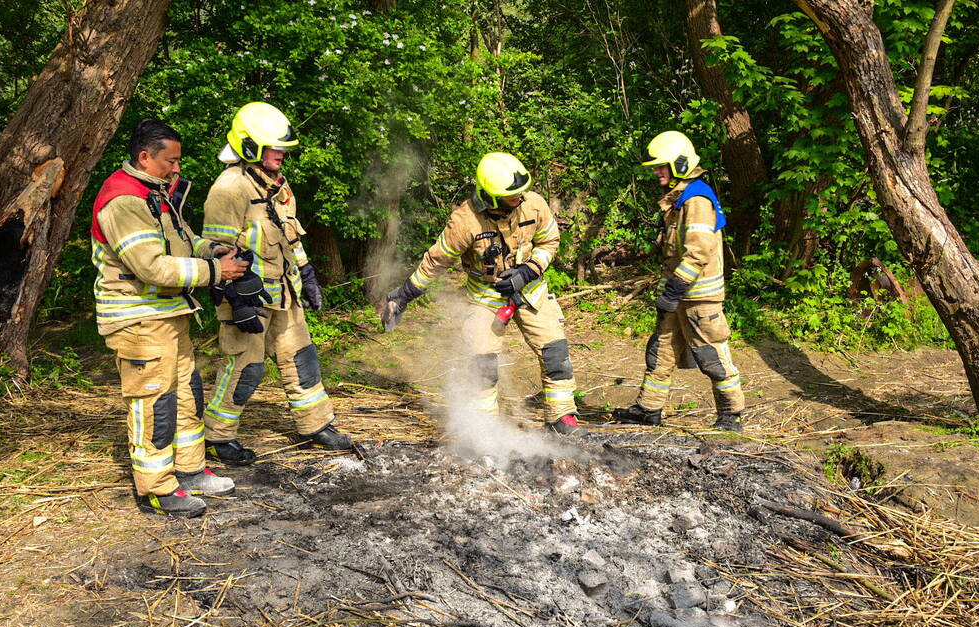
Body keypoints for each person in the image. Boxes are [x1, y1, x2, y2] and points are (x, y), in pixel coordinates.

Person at [91, 119, 244, 517]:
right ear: (145, 157)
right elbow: (151, 268)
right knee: (154, 404)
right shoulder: (123, 201)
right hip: (139, 321)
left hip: (169, 315)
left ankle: (189, 470)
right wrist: (215, 273)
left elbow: (187, 241)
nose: (177, 169)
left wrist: (219, 251)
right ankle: (157, 488)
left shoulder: (154, 194)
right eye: (170, 161)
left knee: (187, 395)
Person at [382, 152, 587, 436]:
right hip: (485, 299)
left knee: (555, 353)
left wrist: (528, 271)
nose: (520, 199)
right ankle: (485, 429)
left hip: (530, 292)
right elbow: (436, 261)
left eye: (521, 193)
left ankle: (561, 417)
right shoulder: (465, 221)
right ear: (490, 197)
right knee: (482, 362)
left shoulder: (534, 204)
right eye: (512, 196)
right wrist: (403, 295)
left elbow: (549, 241)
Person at [201, 102, 352, 465]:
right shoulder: (229, 188)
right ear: (249, 145)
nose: (281, 154)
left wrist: (309, 272)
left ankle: (315, 427)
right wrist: (235, 300)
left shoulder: (278, 187)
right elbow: (212, 249)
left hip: (284, 294)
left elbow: (290, 236)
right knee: (245, 368)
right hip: (247, 299)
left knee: (302, 359)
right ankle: (216, 437)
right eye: (274, 147)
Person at [613, 131, 746, 432]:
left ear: (680, 165)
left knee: (711, 355)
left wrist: (673, 290)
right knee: (661, 351)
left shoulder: (696, 199)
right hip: (678, 296)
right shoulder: (679, 199)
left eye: (662, 166)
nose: (657, 172)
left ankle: (731, 414)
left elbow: (698, 252)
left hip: (698, 298)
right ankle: (648, 409)